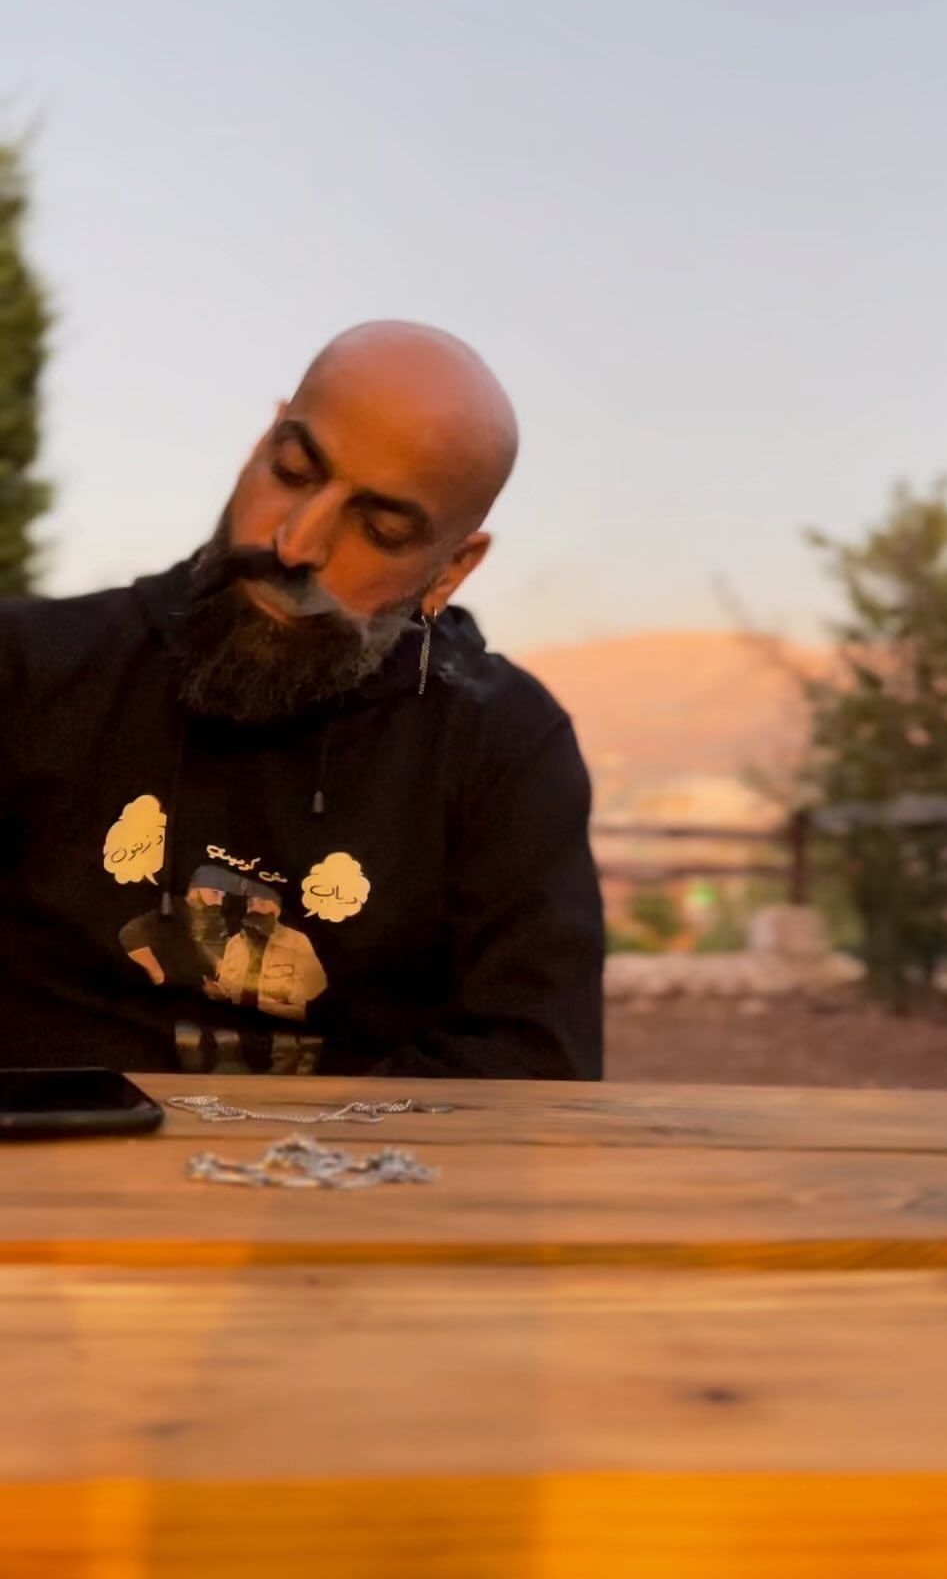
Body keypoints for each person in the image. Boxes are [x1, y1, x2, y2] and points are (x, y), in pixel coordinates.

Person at [0, 322, 604, 1078]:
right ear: (262, 443)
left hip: (357, 1159)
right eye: (292, 471)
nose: (296, 542)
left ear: (449, 571)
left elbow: (534, 1065)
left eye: (379, 528)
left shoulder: (503, 744)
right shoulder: (27, 670)